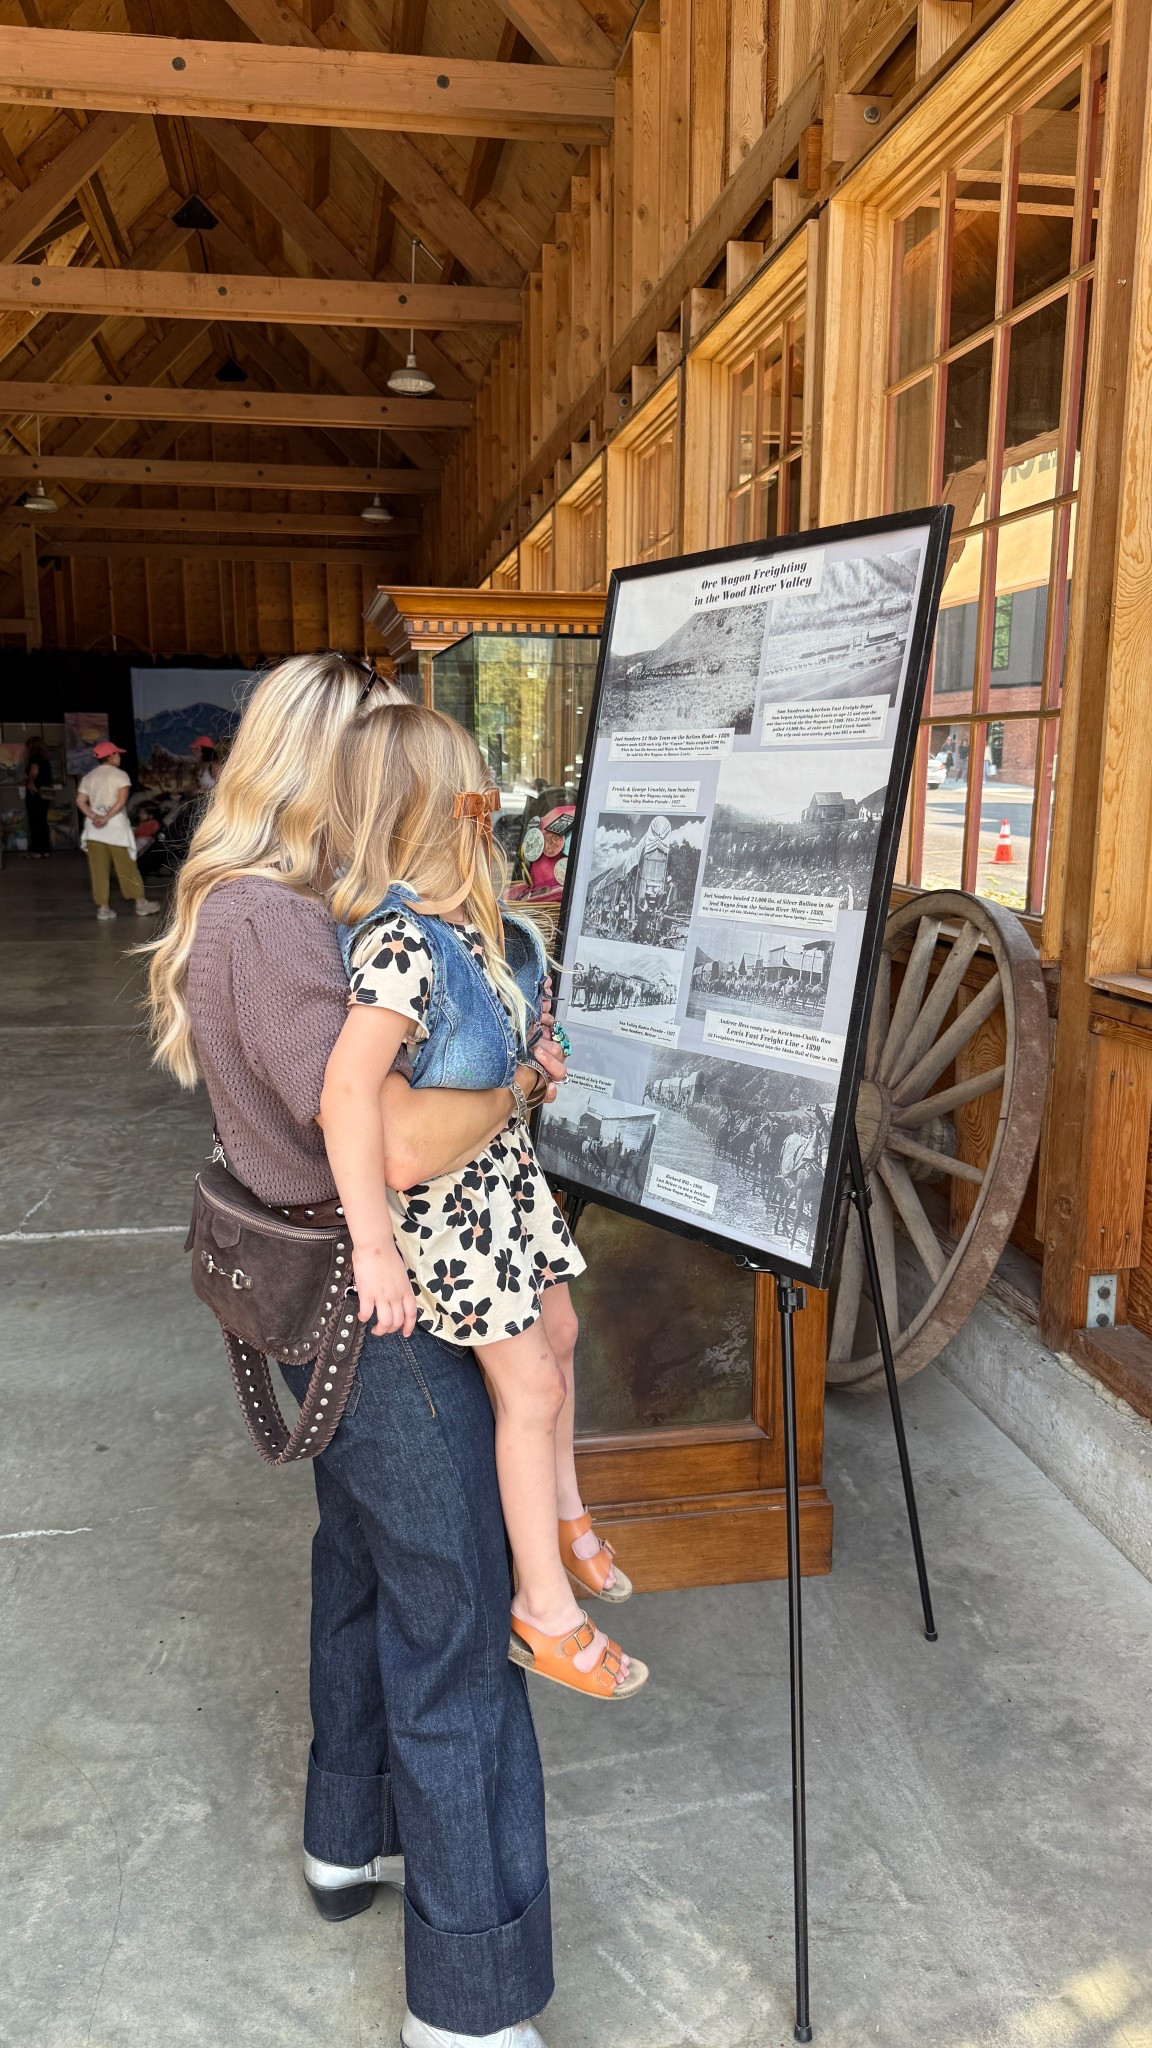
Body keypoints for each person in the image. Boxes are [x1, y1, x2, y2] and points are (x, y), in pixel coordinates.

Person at [145, 653, 563, 2048]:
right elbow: (391, 1140)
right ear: (326, 769)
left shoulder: (254, 908)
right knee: (459, 1626)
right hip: (381, 1309)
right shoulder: (274, 925)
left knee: (366, 1571)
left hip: (332, 1300)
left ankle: (351, 1832)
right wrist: (516, 1080)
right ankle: (469, 2000)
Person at [324, 703, 644, 1703]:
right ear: (440, 810)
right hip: (453, 1218)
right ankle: (542, 1607)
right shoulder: (398, 943)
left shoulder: (468, 927)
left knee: (564, 1332)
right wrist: (373, 1247)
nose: (492, 814)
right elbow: (348, 1092)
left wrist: (532, 1060)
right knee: (531, 1389)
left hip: (503, 1185)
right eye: (480, 798)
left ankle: (565, 1511)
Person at [77, 739, 159, 922]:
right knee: (126, 867)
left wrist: (94, 816)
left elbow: (80, 801)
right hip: (115, 828)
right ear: (111, 755)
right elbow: (121, 801)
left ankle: (103, 908)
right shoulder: (120, 775)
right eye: (117, 754)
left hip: (94, 830)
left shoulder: (89, 777)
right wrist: (106, 818)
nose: (119, 757)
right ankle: (140, 904)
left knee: (98, 870)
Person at [22, 736, 54, 858]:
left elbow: (34, 771)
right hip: (46, 793)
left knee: (34, 821)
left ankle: (36, 851)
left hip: (35, 793)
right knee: (42, 821)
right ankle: (45, 850)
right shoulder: (45, 759)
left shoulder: (34, 757)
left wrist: (30, 782)